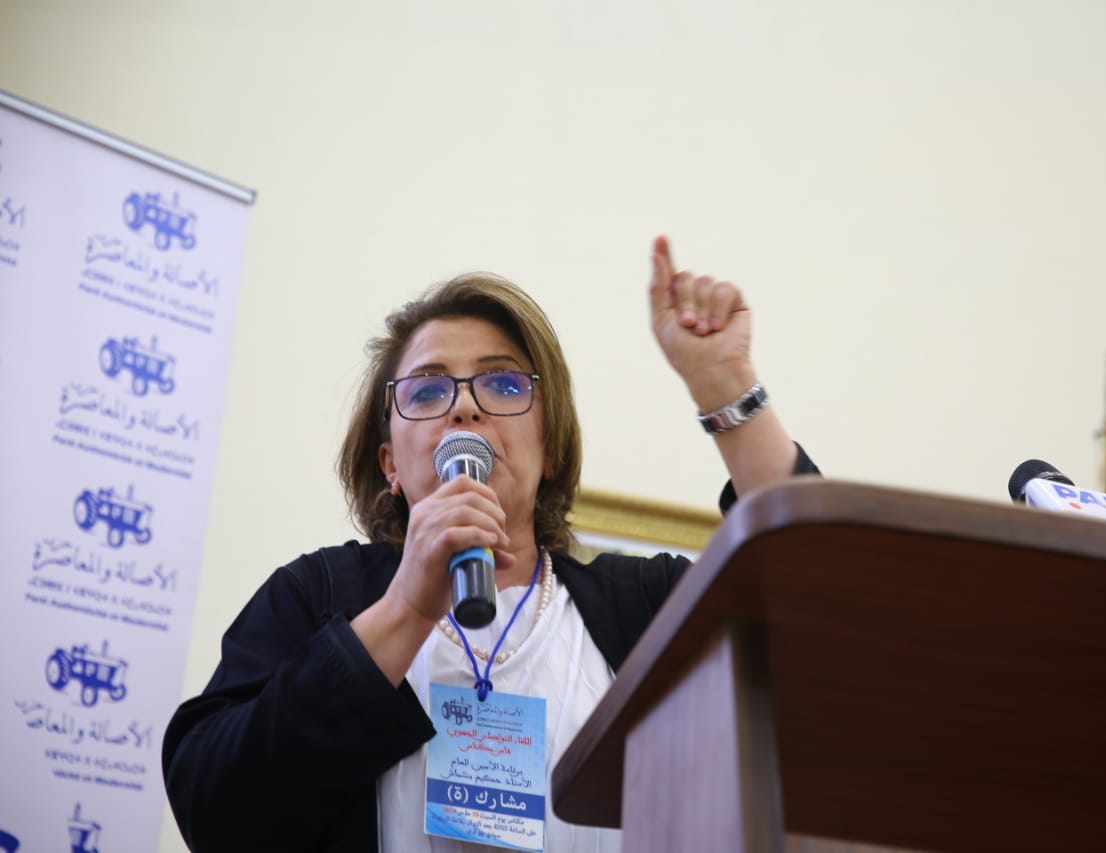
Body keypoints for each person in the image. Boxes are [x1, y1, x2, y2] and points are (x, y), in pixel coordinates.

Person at [162, 236, 819, 852]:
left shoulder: (644, 607)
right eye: (428, 389)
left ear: (550, 449)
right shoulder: (317, 596)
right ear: (391, 465)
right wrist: (407, 608)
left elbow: (818, 617)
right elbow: (216, 808)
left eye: (503, 383)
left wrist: (726, 386)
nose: (464, 407)